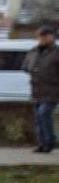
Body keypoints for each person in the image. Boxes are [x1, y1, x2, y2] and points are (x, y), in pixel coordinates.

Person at [30, 25, 59, 153]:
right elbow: (27, 64)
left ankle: (50, 141)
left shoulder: (56, 52)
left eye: (45, 36)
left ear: (51, 37)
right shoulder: (35, 51)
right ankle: (41, 143)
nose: (42, 39)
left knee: (44, 113)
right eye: (40, 36)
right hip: (37, 90)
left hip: (52, 90)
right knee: (38, 117)